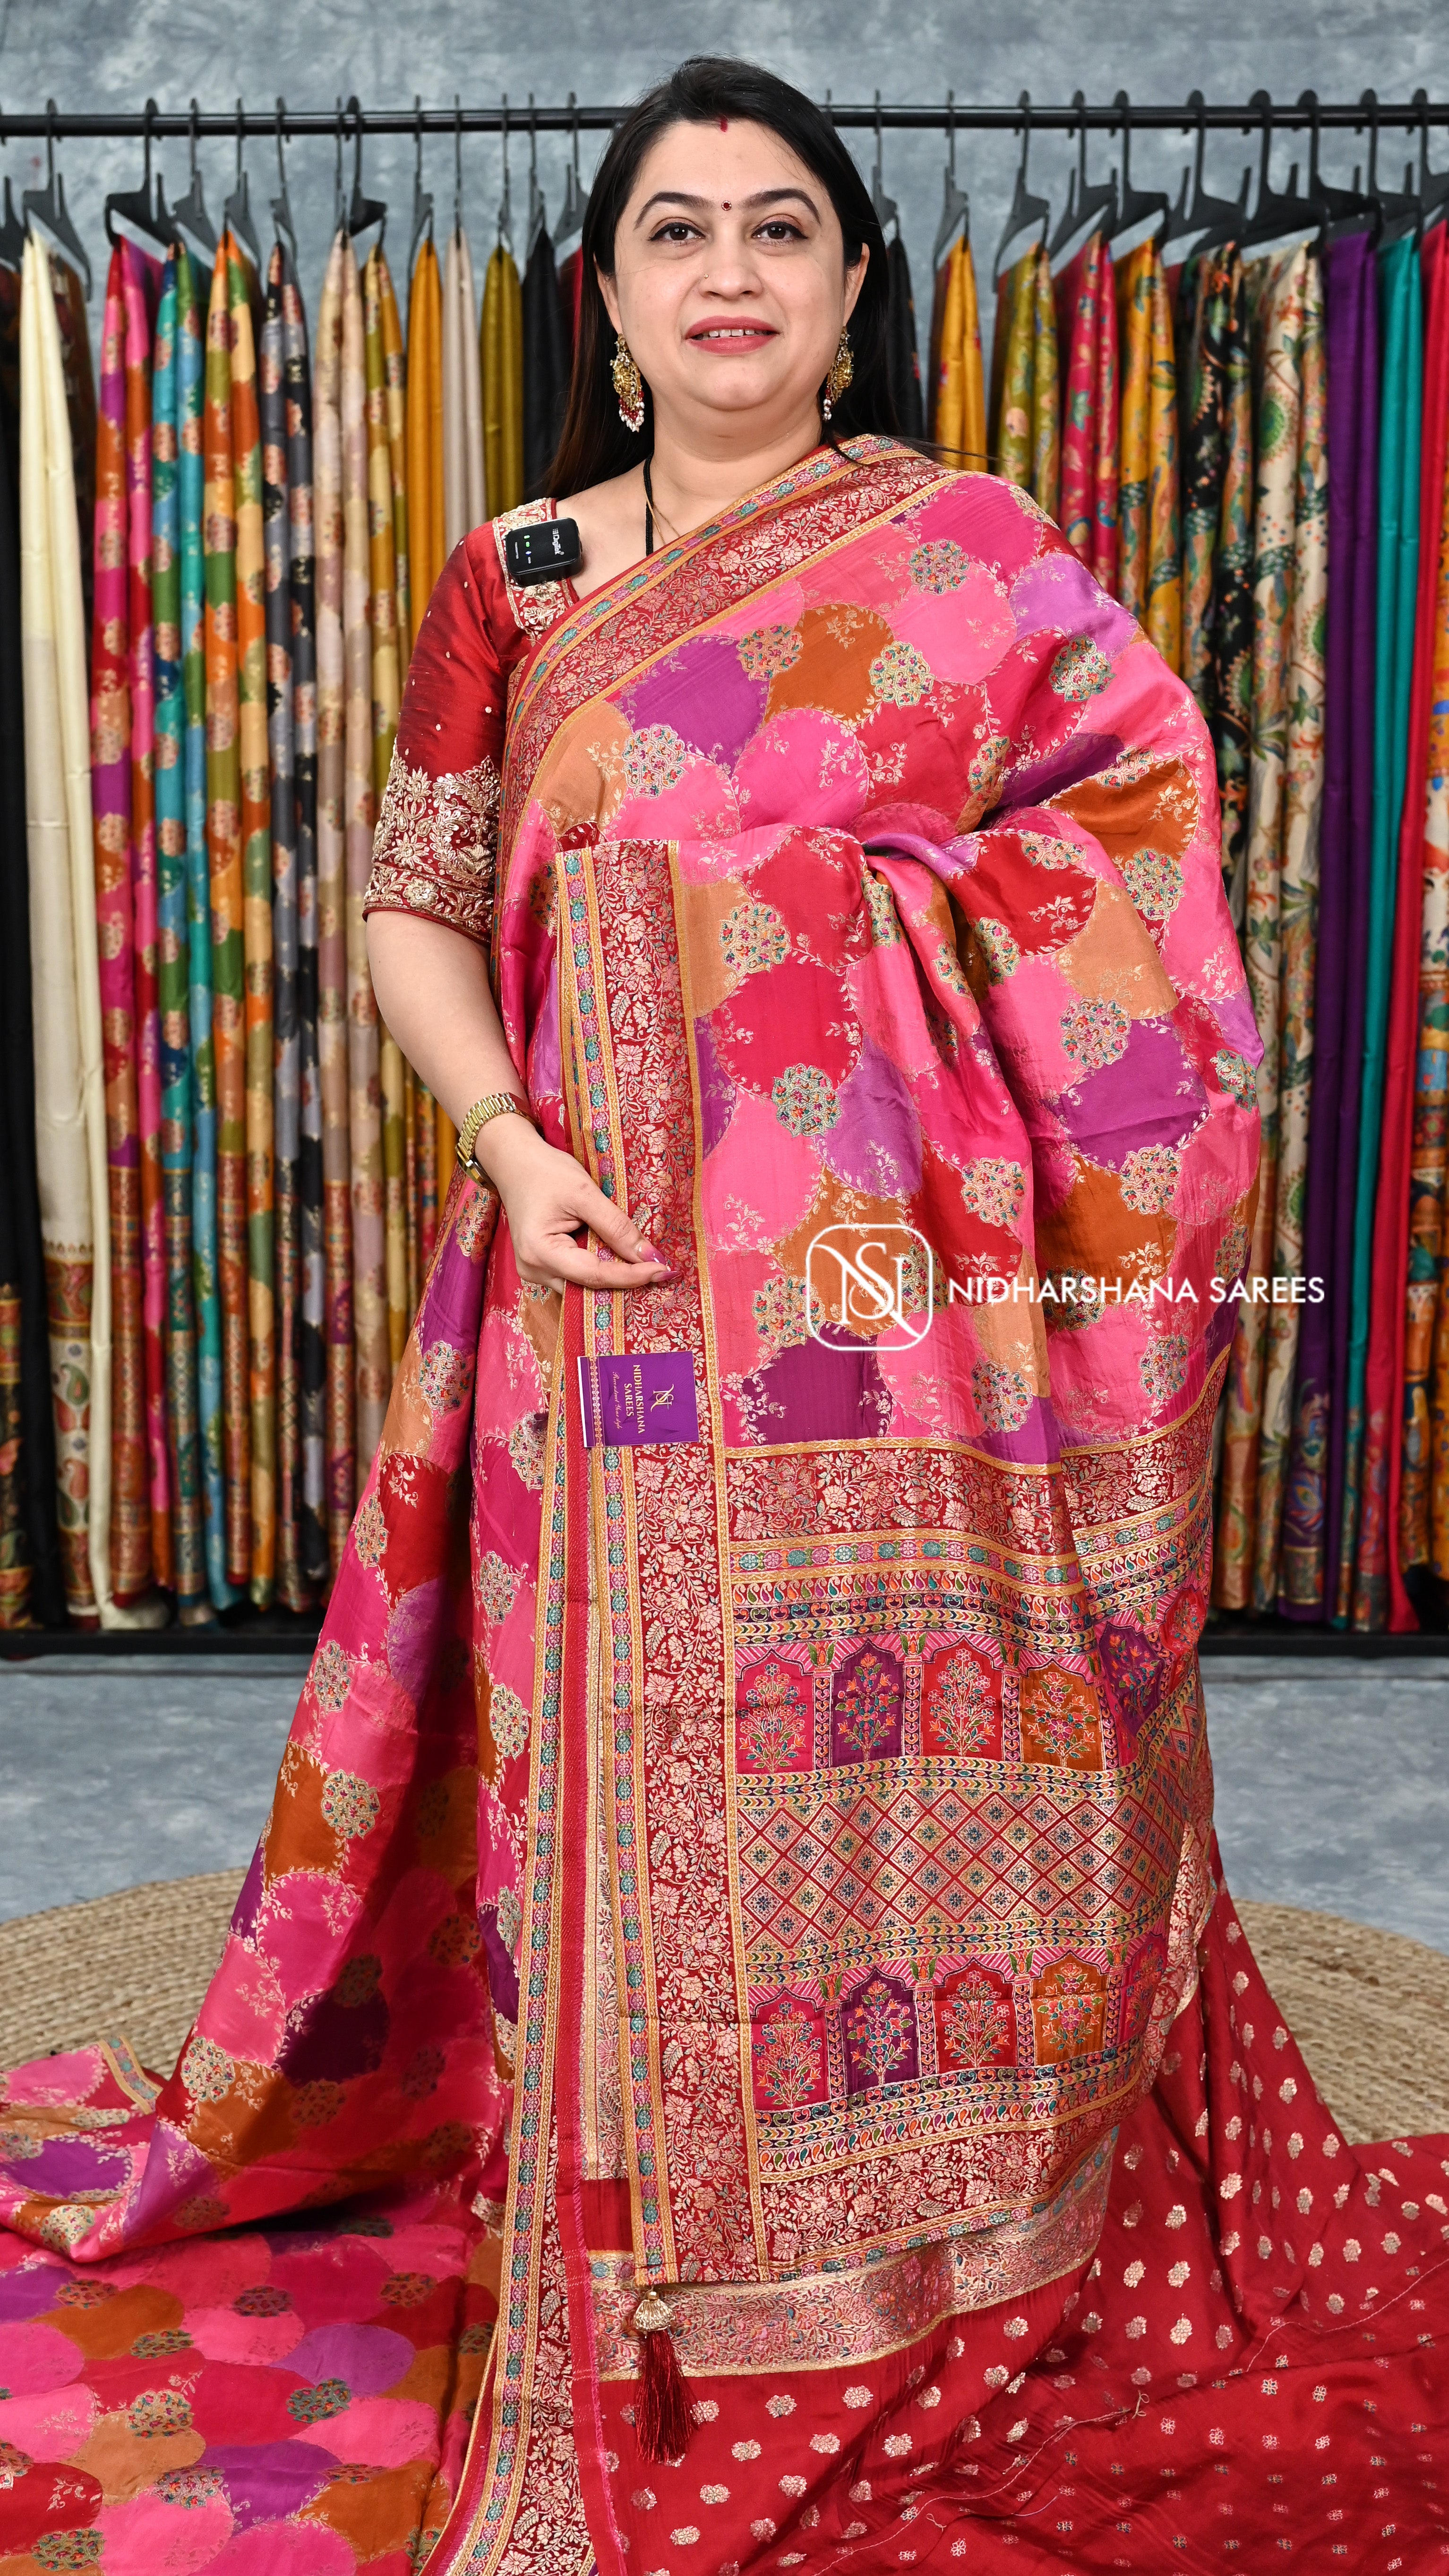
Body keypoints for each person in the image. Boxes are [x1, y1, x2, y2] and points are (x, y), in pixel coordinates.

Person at [2, 55, 1446, 2576]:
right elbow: (417, 906)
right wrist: (510, 1136)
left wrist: (781, 925)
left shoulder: (978, 559)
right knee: (603, 1786)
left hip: (916, 1327)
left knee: (937, 1780)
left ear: (858, 281)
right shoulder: (521, 578)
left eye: (782, 227)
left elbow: (1140, 874)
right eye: (679, 231)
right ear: (610, 290)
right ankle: (628, 2251)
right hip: (609, 1285)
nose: (732, 274)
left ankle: (946, 2238)